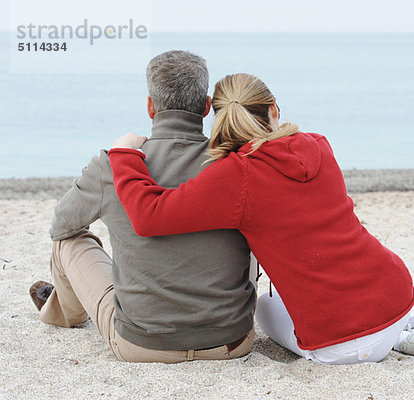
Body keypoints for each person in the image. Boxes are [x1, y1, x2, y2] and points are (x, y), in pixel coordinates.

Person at [108, 73, 414, 365]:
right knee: (355, 281)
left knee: (266, 306)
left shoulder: (234, 176)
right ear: (273, 110)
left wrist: (124, 155)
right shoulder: (318, 144)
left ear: (217, 117)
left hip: (341, 345)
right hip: (397, 292)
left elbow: (149, 215)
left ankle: (402, 339)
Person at [28, 52, 256, 363]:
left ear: (150, 106)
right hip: (231, 340)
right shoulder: (238, 164)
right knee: (251, 229)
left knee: (68, 242)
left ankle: (62, 314)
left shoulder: (114, 164)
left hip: (143, 344)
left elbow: (62, 226)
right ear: (206, 107)